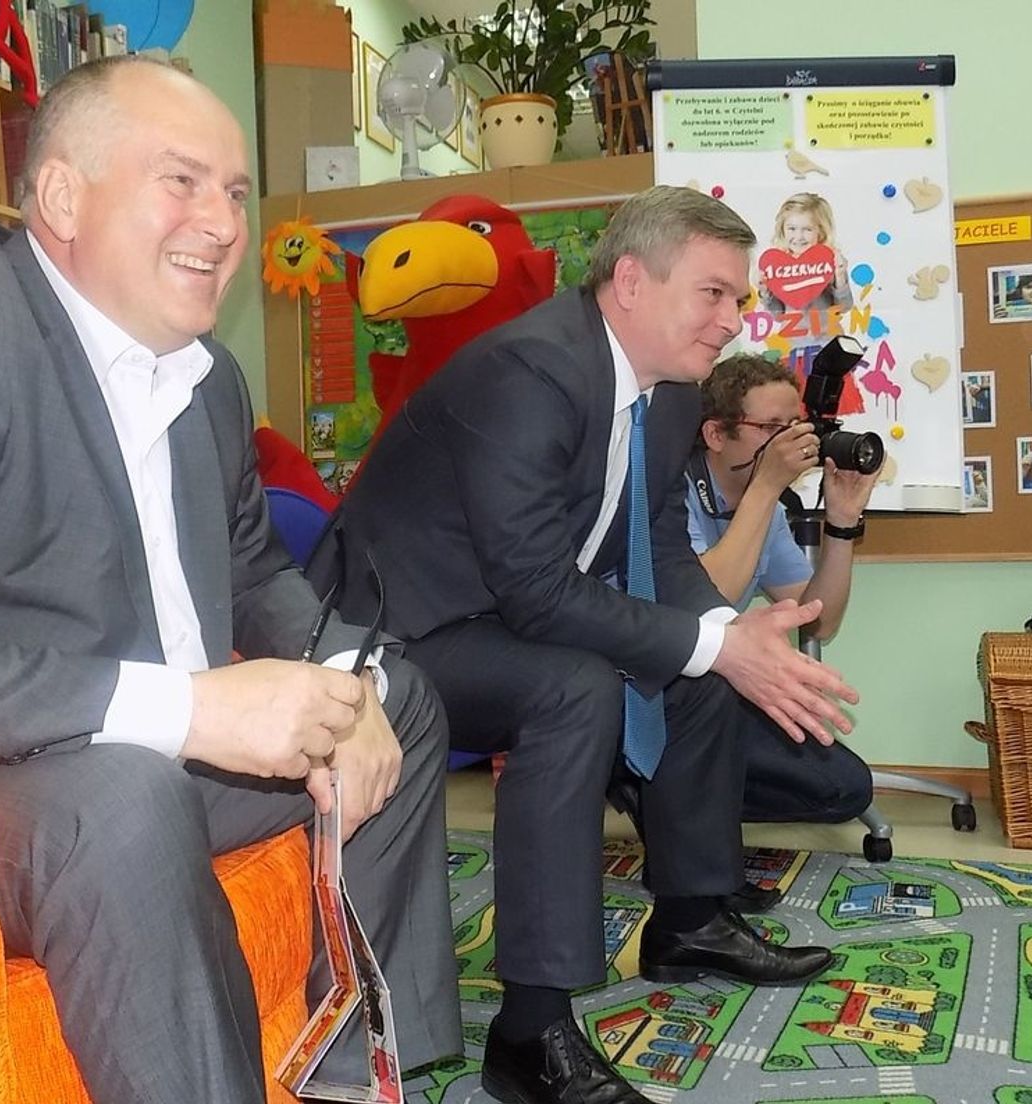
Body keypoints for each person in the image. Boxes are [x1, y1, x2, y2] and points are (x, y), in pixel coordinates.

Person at [0, 56, 460, 1104]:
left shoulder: (209, 381)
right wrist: (190, 708)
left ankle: (355, 1076)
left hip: (146, 757)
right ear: (63, 197)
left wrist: (346, 676)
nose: (223, 223)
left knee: (398, 697)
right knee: (125, 795)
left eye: (236, 193)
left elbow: (256, 570)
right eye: (182, 181)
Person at [313, 185, 858, 1104]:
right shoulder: (529, 372)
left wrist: (729, 634)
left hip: (493, 617)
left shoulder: (670, 397)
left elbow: (658, 548)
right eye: (714, 294)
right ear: (632, 282)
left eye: (738, 298)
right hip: (389, 636)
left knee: (696, 662)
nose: (733, 320)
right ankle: (530, 1031)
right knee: (578, 685)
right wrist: (712, 644)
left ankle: (692, 918)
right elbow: (536, 588)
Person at [685, 354, 876, 827]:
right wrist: (767, 486)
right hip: (653, 682)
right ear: (715, 434)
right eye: (771, 427)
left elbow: (819, 620)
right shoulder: (670, 492)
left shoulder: (765, 507)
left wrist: (841, 522)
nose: (791, 442)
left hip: (718, 685)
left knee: (842, 789)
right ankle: (644, 784)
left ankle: (671, 795)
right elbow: (702, 601)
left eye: (795, 426)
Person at [756, 192, 852, 313]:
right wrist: (765, 291)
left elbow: (844, 308)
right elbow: (777, 314)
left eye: (807, 229)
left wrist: (840, 278)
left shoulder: (829, 263)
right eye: (792, 229)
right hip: (790, 326)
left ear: (821, 231)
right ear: (782, 229)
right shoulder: (777, 267)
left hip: (827, 326)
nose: (799, 237)